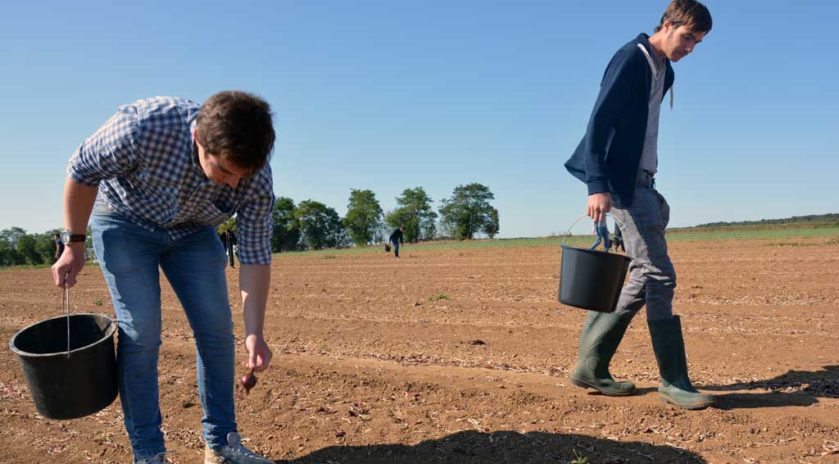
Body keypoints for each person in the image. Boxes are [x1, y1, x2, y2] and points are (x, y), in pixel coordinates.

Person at [51, 91, 277, 463]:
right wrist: (73, 243)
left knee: (218, 330)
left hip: (194, 231)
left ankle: (221, 444)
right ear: (198, 140)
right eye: (223, 171)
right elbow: (81, 169)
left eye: (243, 176)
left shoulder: (255, 177)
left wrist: (255, 332)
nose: (234, 185)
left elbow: (254, 256)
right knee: (142, 332)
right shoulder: (143, 127)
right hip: (125, 220)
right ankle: (149, 454)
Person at [564, 0, 713, 410]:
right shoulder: (631, 58)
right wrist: (597, 184)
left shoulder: (665, 71)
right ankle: (673, 380)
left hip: (643, 182)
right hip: (621, 184)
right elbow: (599, 120)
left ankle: (590, 366)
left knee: (642, 277)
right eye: (687, 38)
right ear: (667, 24)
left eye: (698, 43)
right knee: (660, 274)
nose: (690, 48)